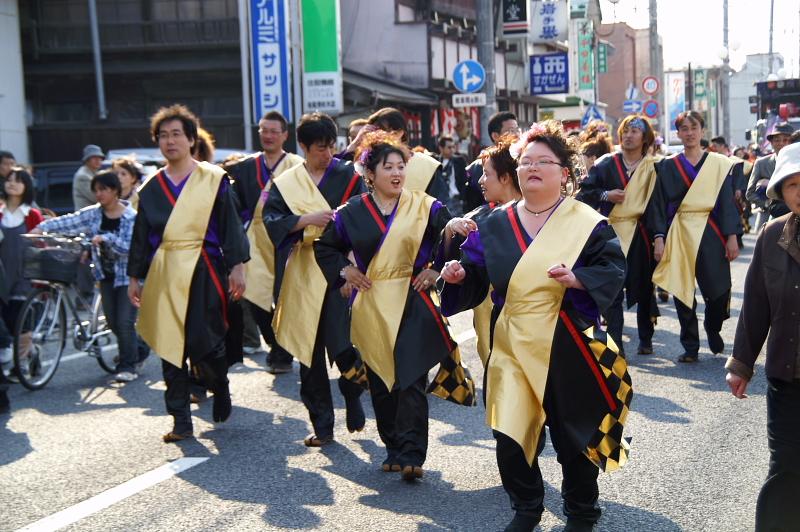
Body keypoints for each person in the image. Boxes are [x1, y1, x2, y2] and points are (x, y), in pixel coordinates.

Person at [440, 120, 629, 532]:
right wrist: (458, 275)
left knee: (572, 436)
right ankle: (526, 507)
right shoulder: (493, 224)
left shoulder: (587, 222)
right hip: (510, 339)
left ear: (565, 172)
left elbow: (612, 267)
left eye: (544, 161)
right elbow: (474, 271)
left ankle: (581, 511)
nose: (532, 168)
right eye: (526, 162)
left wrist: (579, 279)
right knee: (509, 432)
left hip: (569, 339)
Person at [314, 131, 461, 480]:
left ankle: (412, 453)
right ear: (370, 174)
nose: (396, 173)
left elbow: (451, 234)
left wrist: (436, 269)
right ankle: (393, 446)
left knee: (410, 376)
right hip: (373, 300)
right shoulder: (350, 213)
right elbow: (325, 248)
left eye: (401, 166)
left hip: (412, 297)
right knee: (381, 378)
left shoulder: (424, 205)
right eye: (387, 167)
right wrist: (345, 270)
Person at [128, 104, 249, 442]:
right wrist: (135, 276)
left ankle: (218, 384)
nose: (170, 141)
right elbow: (141, 235)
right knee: (169, 346)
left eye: (176, 134)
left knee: (205, 342)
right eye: (163, 136)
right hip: (165, 270)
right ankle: (180, 419)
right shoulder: (151, 188)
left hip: (205, 267)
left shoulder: (212, 179)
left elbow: (230, 226)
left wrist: (237, 266)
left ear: (192, 139)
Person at [263, 112, 366, 447]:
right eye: (320, 148)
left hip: (341, 267)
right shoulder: (286, 182)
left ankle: (352, 393)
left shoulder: (350, 176)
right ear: (304, 146)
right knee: (308, 351)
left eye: (331, 146)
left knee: (344, 344)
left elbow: (366, 213)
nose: (327, 154)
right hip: (303, 270)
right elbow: (272, 220)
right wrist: (306, 219)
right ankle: (322, 425)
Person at [725, 141, 800, 532]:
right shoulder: (773, 235)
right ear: (781, 193)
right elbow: (755, 304)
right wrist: (741, 364)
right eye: (793, 185)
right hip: (787, 377)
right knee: (786, 465)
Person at [647, 111, 742, 363]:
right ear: (678, 133)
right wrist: (659, 238)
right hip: (679, 231)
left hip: (711, 230)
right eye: (684, 128)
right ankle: (690, 346)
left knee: (718, 290)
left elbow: (726, 202)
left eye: (694, 127)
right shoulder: (666, 165)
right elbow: (657, 204)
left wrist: (732, 236)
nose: (689, 133)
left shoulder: (718, 163)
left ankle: (713, 327)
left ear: (702, 130)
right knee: (681, 290)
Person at [35, 171, 147, 382]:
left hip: (128, 276)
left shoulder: (131, 217)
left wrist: (105, 238)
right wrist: (42, 227)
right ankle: (140, 348)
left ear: (114, 191)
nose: (99, 194)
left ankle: (128, 366)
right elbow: (71, 221)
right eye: (96, 190)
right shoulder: (94, 213)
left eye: (103, 189)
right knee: (113, 322)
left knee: (124, 322)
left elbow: (128, 247)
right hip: (104, 275)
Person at [227, 111, 304, 374]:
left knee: (285, 295)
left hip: (287, 236)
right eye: (263, 130)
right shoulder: (246, 166)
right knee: (252, 293)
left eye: (274, 131)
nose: (268, 135)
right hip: (254, 237)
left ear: (285, 135)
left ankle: (282, 352)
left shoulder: (297, 165)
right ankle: (276, 342)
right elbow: (234, 204)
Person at [577, 115, 660, 356]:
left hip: (640, 235)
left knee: (644, 289)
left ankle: (646, 338)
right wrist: (606, 195)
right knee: (612, 291)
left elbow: (656, 206)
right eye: (625, 130)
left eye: (635, 131)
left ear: (645, 138)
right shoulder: (606, 163)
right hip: (610, 234)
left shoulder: (653, 167)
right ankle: (616, 346)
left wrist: (659, 237)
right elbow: (584, 193)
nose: (628, 135)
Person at [440, 134, 521, 366]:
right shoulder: (476, 217)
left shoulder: (536, 215)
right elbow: (450, 260)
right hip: (486, 308)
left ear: (506, 177)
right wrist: (449, 230)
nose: (480, 181)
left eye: (487, 174)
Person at [0, 168, 43, 378]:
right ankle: (32, 353)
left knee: (21, 320)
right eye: (9, 179)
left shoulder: (32, 214)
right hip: (3, 273)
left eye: (18, 181)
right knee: (6, 320)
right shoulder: (0, 212)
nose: (12, 184)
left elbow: (41, 244)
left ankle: (22, 362)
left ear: (27, 186)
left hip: (26, 275)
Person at [464, 111, 521, 213]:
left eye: (517, 130)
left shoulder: (524, 160)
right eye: (511, 130)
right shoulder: (476, 169)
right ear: (495, 136)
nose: (516, 134)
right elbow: (471, 204)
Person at [747, 122, 795, 231]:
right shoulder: (761, 163)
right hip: (769, 215)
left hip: (796, 214)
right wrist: (767, 205)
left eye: (785, 140)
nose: (781, 143)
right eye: (777, 140)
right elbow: (750, 193)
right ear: (771, 143)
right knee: (764, 245)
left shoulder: (797, 163)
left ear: (792, 142)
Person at [431, 134, 468, 216]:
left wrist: (462, 198)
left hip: (456, 199)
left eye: (453, 147)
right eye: (449, 147)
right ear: (441, 148)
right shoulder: (435, 162)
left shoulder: (459, 161)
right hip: (441, 200)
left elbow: (464, 180)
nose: (452, 150)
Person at [73, 144, 105, 210]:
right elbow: (97, 197)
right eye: (94, 157)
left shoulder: (96, 173)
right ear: (87, 160)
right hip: (85, 217)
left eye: (100, 158)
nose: (98, 160)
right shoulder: (82, 176)